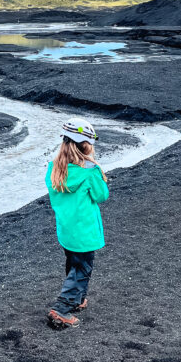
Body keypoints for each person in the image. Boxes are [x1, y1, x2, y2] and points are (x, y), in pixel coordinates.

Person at [45, 117, 109, 329]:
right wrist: (96, 171)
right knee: (82, 269)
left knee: (73, 264)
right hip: (84, 232)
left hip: (66, 230)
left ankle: (78, 298)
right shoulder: (89, 172)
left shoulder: (53, 169)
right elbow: (101, 196)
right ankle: (61, 309)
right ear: (86, 146)